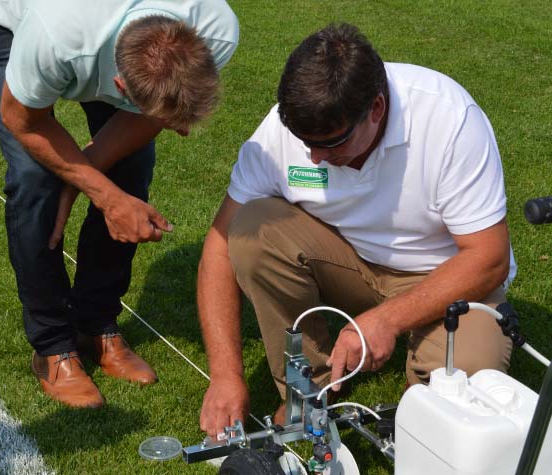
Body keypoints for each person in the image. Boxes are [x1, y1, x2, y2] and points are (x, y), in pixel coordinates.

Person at [197, 23, 516, 437]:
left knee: (460, 395)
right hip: (350, 263)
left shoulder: (449, 119)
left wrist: (386, 320)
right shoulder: (284, 129)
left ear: (377, 109)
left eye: (331, 143)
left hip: (449, 276)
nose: (313, 158)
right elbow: (219, 247)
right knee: (252, 229)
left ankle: (420, 399)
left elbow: (489, 258)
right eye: (304, 141)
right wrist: (224, 375)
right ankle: (307, 390)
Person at [0, 0, 238, 408]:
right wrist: (103, 195)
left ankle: (96, 322)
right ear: (120, 87)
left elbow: (146, 118)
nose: (183, 133)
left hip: (94, 36)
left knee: (130, 163)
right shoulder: (57, 35)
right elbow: (23, 120)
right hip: (8, 16)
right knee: (35, 179)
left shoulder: (215, 28)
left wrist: (84, 180)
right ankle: (53, 345)